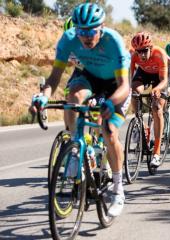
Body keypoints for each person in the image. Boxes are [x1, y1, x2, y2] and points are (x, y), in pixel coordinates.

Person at [31, 3, 131, 217]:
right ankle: (75, 147)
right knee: (73, 97)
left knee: (109, 131)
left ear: (101, 27)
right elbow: (54, 78)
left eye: (91, 31)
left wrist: (111, 103)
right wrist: (43, 96)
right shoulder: (68, 39)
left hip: (116, 83)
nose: (85, 36)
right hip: (90, 77)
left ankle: (118, 189)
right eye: (81, 31)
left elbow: (124, 86)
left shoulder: (113, 42)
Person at [130, 32, 169, 167]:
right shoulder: (134, 56)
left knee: (157, 108)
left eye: (145, 51)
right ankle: (140, 124)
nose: (141, 54)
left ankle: (157, 152)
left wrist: (157, 89)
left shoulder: (160, 54)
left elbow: (164, 80)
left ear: (151, 48)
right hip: (144, 73)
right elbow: (131, 78)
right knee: (134, 92)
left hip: (159, 77)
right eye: (139, 51)